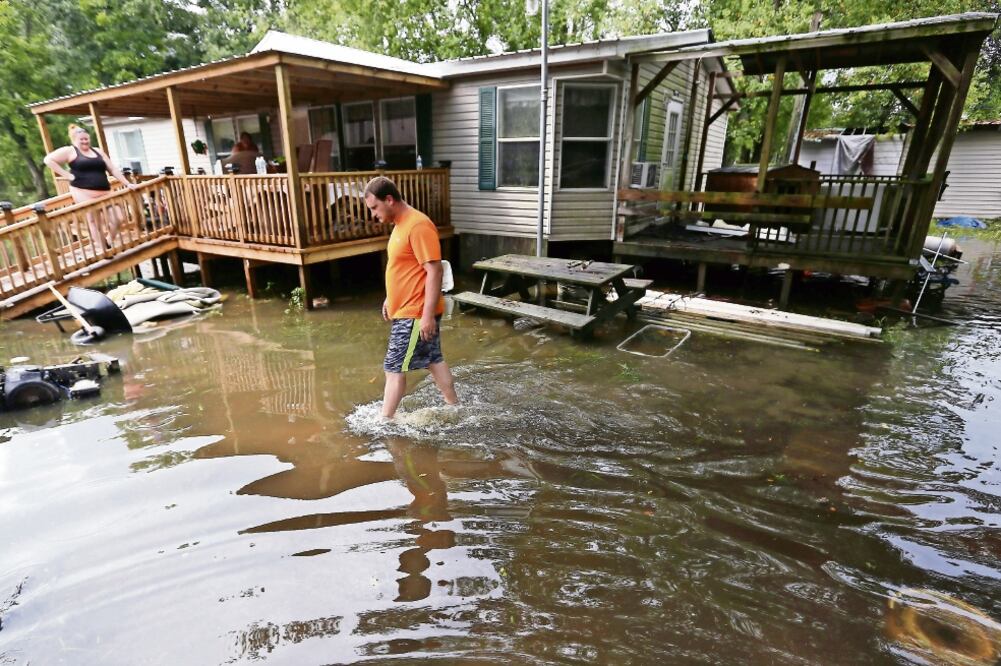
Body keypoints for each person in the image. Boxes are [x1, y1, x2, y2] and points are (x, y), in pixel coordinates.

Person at [364, 176, 458, 418]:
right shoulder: (400, 225)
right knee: (433, 360)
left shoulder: (417, 225)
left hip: (414, 313)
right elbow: (405, 268)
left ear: (389, 199)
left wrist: (426, 316)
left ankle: (385, 421)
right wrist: (390, 298)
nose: (373, 214)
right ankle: (455, 407)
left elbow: (435, 270)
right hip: (408, 309)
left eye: (375, 208)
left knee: (393, 368)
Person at [43, 124, 135, 252]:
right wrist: (67, 175)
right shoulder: (70, 151)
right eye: (82, 139)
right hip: (83, 192)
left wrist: (127, 183)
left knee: (118, 217)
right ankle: (104, 251)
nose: (85, 141)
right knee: (94, 221)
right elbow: (48, 160)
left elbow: (112, 169)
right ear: (75, 140)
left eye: (87, 139)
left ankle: (108, 241)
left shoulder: (98, 151)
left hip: (105, 192)